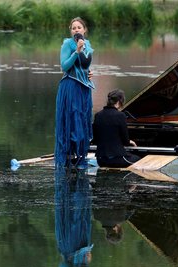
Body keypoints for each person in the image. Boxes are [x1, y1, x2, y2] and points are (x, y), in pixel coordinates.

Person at [54, 17, 95, 169]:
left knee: (83, 119)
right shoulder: (67, 44)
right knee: (72, 119)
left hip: (84, 88)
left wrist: (89, 73)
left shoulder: (88, 44)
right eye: (73, 28)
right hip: (70, 86)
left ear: (84, 30)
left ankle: (81, 155)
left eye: (79, 27)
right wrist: (76, 52)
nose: (76, 30)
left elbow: (84, 65)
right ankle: (69, 155)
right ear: (71, 31)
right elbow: (65, 66)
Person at [92, 89, 141, 167]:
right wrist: (129, 141)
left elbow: (95, 139)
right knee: (139, 159)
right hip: (116, 159)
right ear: (118, 102)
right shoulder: (120, 115)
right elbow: (125, 140)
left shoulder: (98, 115)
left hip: (100, 160)